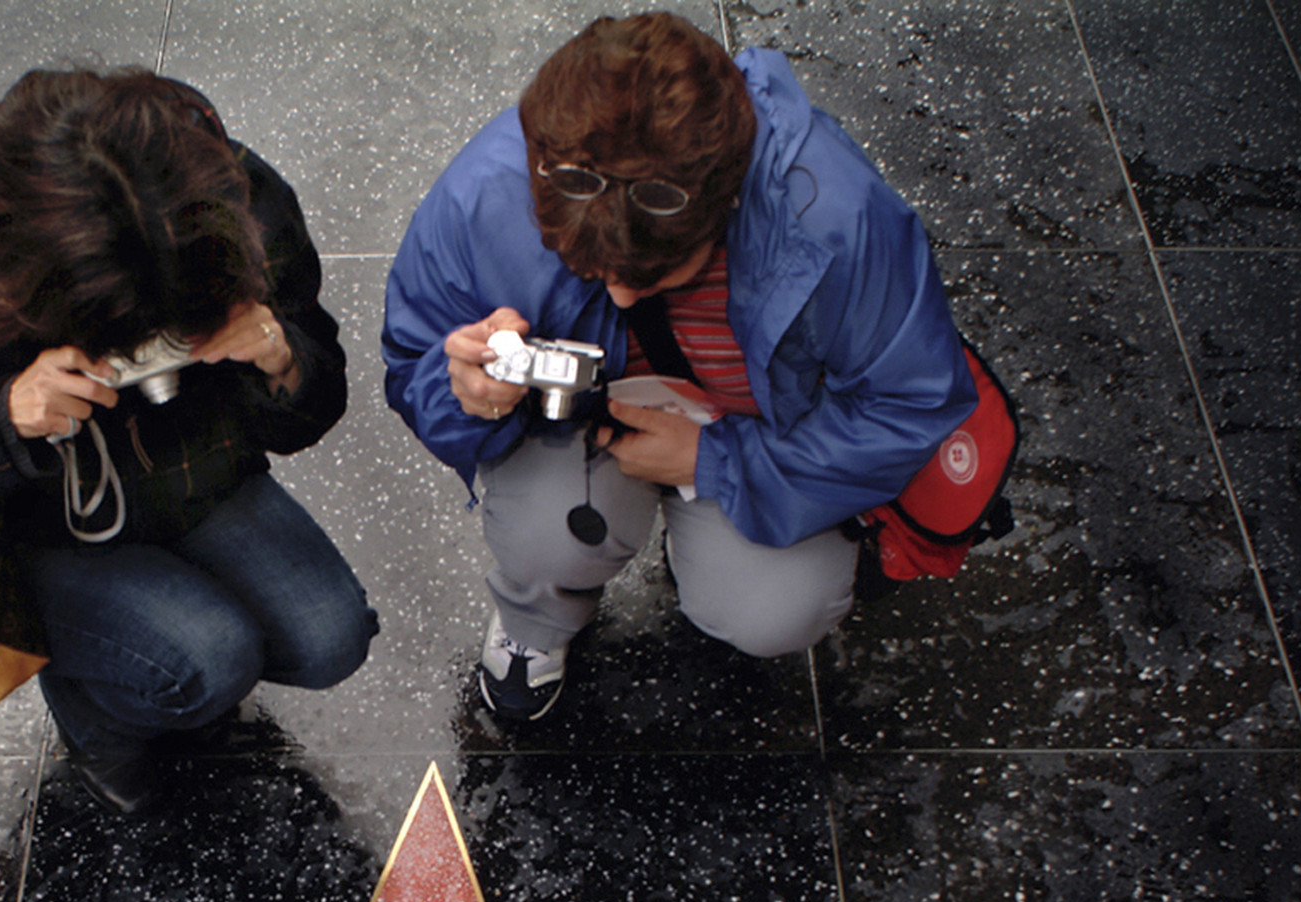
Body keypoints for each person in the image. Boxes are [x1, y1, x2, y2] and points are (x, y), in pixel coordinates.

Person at [382, 12, 977, 722]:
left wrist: (713, 461)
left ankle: (712, 541)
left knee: (777, 611)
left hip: (758, 435)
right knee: (545, 544)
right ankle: (536, 624)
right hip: (573, 431)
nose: (623, 294)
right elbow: (412, 362)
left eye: (658, 272)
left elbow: (909, 404)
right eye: (592, 271)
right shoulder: (479, 201)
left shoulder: (839, 219)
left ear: (727, 201)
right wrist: (464, 394)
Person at [0, 68, 375, 813]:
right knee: (208, 660)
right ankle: (98, 726)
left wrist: (280, 357)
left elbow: (316, 407)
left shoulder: (229, 192)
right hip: (32, 525)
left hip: (201, 478)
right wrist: (5, 417)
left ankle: (139, 658)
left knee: (332, 639)